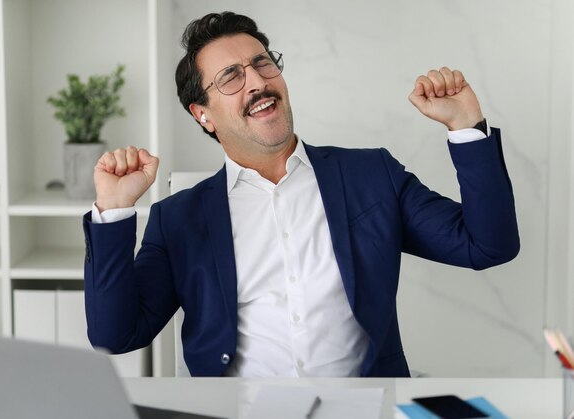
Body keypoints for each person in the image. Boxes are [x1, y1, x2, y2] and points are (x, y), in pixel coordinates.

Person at [83, 11, 519, 377]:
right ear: (203, 115)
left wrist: (467, 127)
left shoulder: (371, 175)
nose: (256, 81)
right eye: (231, 76)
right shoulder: (177, 219)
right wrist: (114, 212)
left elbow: (487, 245)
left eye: (262, 63)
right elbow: (116, 335)